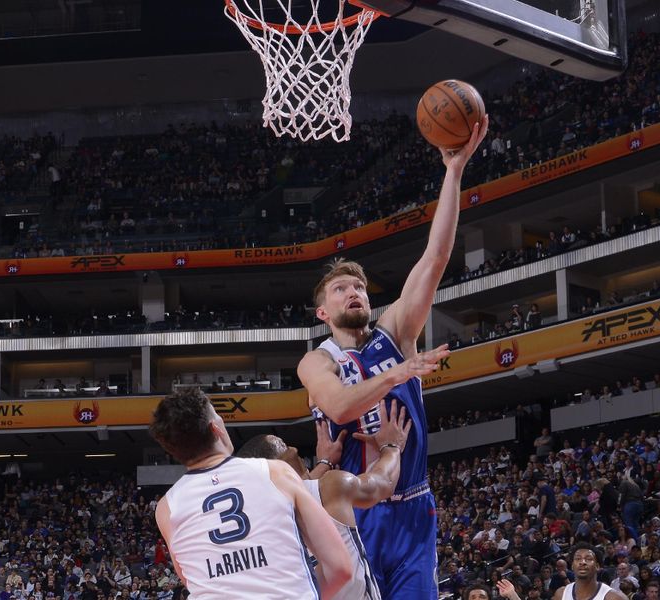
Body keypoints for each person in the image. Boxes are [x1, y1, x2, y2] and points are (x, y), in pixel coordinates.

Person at [298, 118, 489, 599]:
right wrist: (401, 374)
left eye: (359, 286)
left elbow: (436, 256)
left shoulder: (396, 334)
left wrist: (454, 172)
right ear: (324, 311)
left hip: (413, 507)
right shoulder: (315, 362)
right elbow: (340, 406)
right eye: (341, 288)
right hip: (352, 510)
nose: (354, 292)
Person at [148, 388, 351, 599]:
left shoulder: (166, 508)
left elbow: (192, 579)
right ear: (215, 429)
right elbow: (340, 568)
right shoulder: (276, 472)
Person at [237, 399, 411, 600]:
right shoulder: (330, 487)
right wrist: (392, 446)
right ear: (281, 464)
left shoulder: (253, 525)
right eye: (283, 445)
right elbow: (383, 483)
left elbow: (295, 487)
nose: (293, 448)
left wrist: (325, 462)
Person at [553, 543, 629, 600]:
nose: (582, 562)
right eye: (578, 558)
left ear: (597, 566)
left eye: (588, 559)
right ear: (572, 566)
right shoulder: (561, 594)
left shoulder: (613, 597)